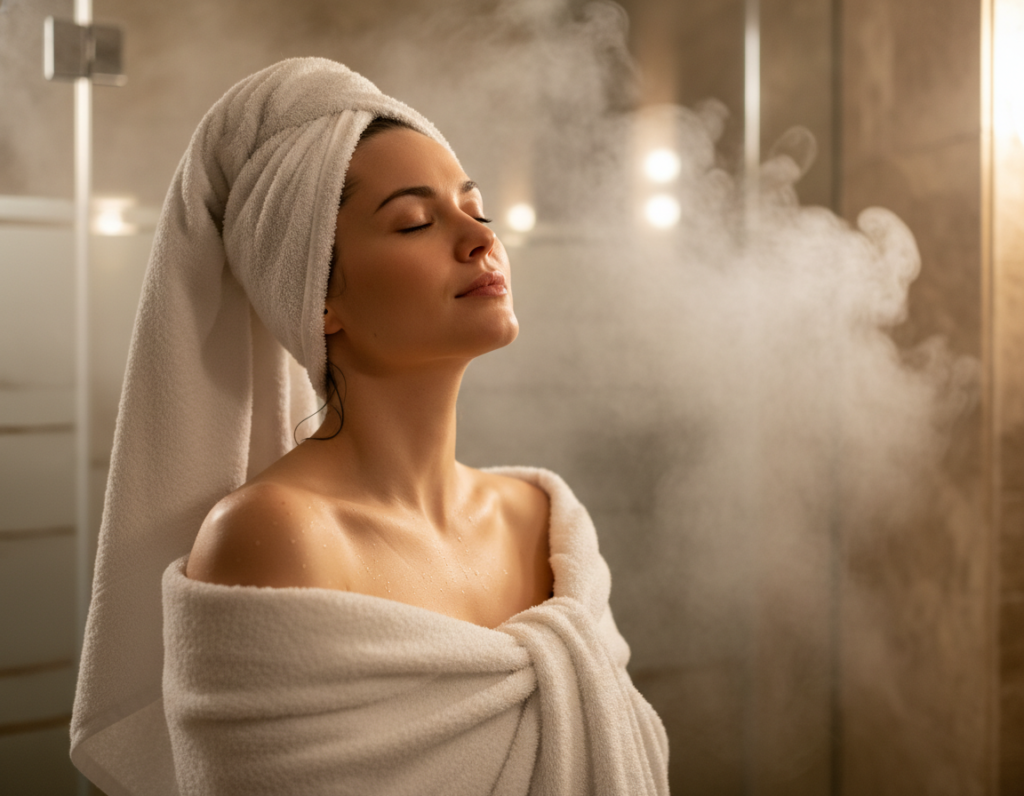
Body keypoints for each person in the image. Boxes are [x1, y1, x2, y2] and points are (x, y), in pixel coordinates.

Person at [71, 58, 668, 796]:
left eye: (476, 209)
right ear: (318, 299)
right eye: (415, 221)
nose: (478, 238)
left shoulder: (549, 522)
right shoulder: (273, 536)